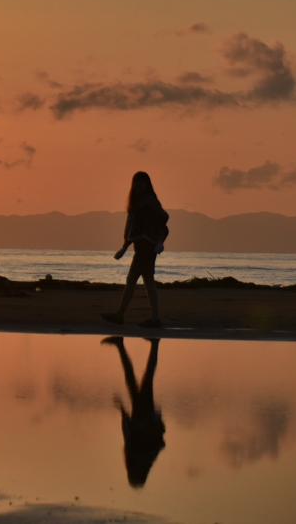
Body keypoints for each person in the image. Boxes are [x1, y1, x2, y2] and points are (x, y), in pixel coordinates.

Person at [102, 171, 169, 328]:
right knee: (147, 282)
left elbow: (164, 218)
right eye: (136, 182)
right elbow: (131, 227)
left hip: (146, 247)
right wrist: (124, 247)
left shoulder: (149, 200)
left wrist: (155, 237)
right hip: (141, 246)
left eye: (142, 182)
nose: (138, 185)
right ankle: (154, 318)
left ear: (147, 184)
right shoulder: (136, 202)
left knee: (132, 280)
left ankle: (121, 315)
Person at [102, 336, 166, 487]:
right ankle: (146, 344)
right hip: (142, 415)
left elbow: (159, 439)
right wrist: (122, 410)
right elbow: (128, 433)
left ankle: (129, 345)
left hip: (145, 415)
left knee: (143, 377)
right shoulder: (139, 457)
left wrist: (123, 411)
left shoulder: (149, 458)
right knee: (141, 377)